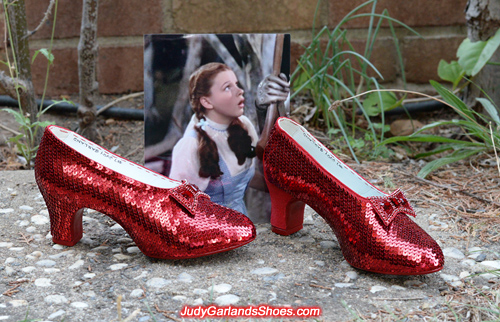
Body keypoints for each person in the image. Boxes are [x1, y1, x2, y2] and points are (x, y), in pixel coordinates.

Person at [169, 62, 289, 217]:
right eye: (227, 87)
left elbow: (246, 178)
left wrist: (286, 188)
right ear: (206, 102)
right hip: (209, 230)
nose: (240, 91)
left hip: (241, 223)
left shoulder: (243, 125)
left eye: (237, 85)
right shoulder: (190, 145)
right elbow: (177, 207)